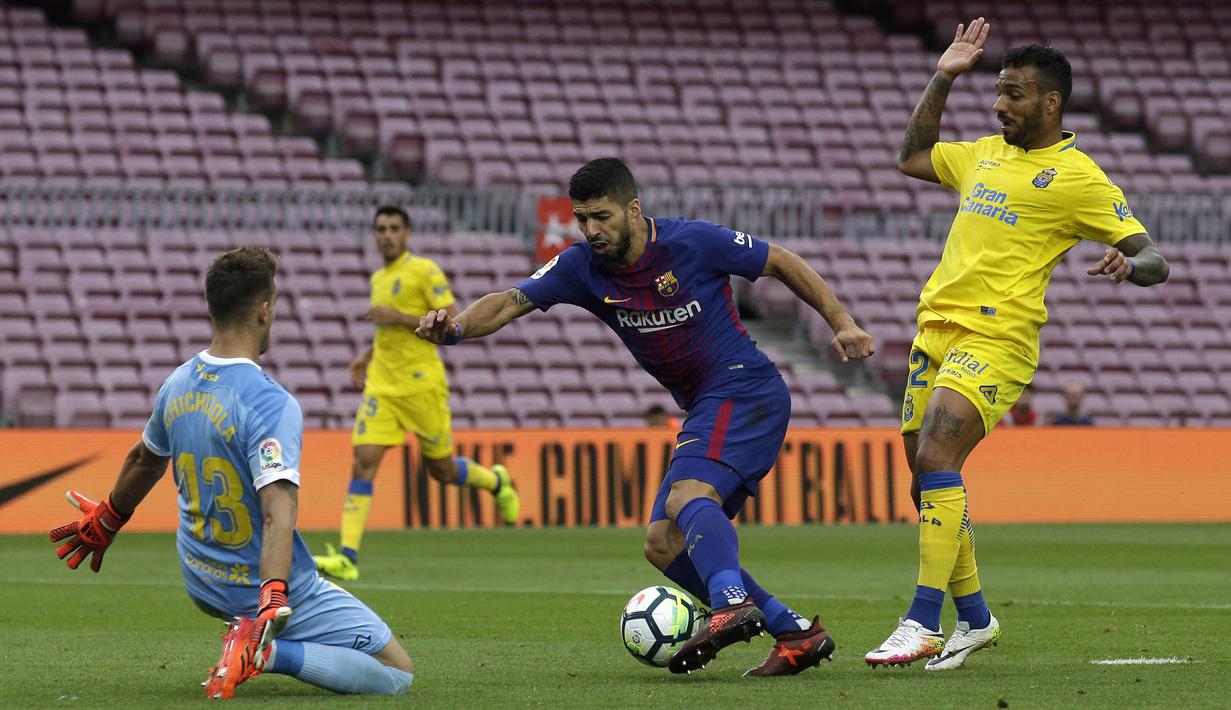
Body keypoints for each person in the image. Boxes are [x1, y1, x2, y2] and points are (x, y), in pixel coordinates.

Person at [417, 158, 876, 677]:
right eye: (582, 218)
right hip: (708, 403)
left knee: (687, 497)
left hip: (744, 386)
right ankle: (794, 633)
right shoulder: (581, 267)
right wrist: (453, 329)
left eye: (602, 217)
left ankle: (730, 603)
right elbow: (508, 302)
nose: (591, 230)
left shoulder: (693, 243)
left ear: (633, 210)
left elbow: (781, 261)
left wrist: (842, 322)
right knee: (661, 544)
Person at [866, 20, 1169, 671]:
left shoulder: (1077, 177)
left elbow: (1153, 258)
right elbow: (911, 157)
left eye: (1013, 94)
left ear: (1050, 102)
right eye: (996, 93)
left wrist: (1127, 264)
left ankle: (921, 621)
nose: (999, 104)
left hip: (998, 337)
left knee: (937, 451)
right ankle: (974, 620)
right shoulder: (980, 154)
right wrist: (944, 75)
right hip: (935, 332)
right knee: (925, 482)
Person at [48, 247, 414, 699]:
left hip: (200, 578)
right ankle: (260, 651)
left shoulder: (177, 382)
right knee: (398, 672)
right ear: (264, 311)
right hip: (258, 587)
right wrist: (273, 597)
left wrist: (108, 519)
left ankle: (251, 634)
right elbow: (279, 511)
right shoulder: (270, 402)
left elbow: (145, 459)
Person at [314, 206, 521, 582]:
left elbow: (451, 319)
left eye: (394, 228)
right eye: (380, 229)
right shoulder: (379, 277)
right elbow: (388, 335)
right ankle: (347, 555)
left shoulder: (424, 270)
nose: (386, 235)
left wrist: (398, 317)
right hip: (382, 386)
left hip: (422, 384)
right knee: (363, 460)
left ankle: (495, 481)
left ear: (407, 234)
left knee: (440, 470)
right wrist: (366, 357)